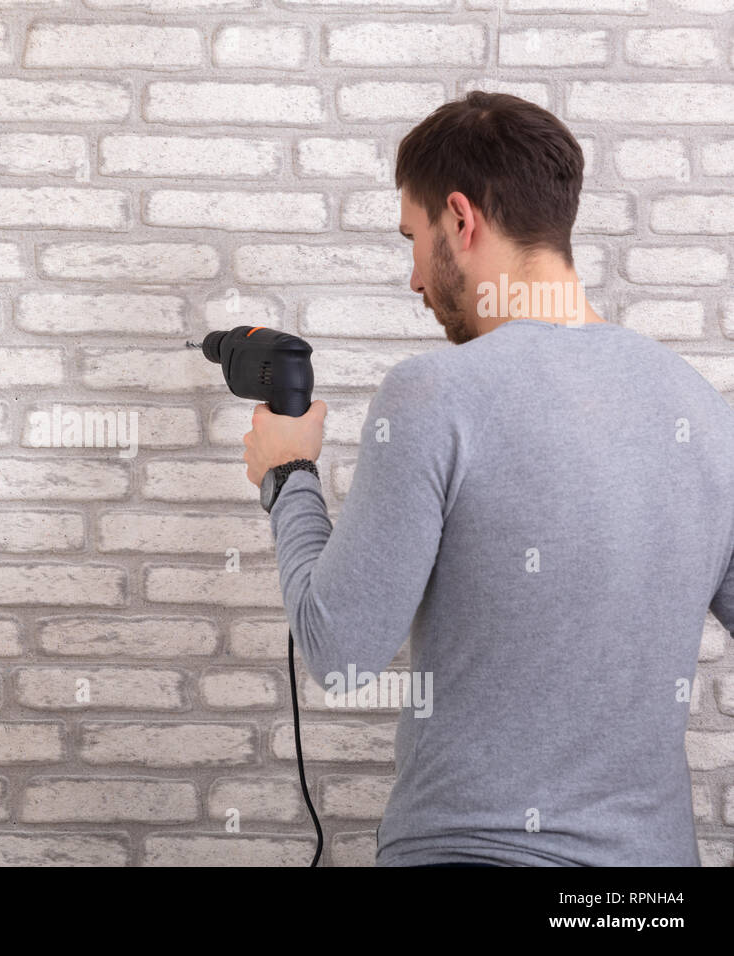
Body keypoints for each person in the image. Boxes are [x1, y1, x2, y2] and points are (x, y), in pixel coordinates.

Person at [243, 92, 734, 866]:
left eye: (413, 237)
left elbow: (340, 650)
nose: (413, 277)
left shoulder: (435, 394)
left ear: (461, 220)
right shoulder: (701, 410)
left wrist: (290, 473)